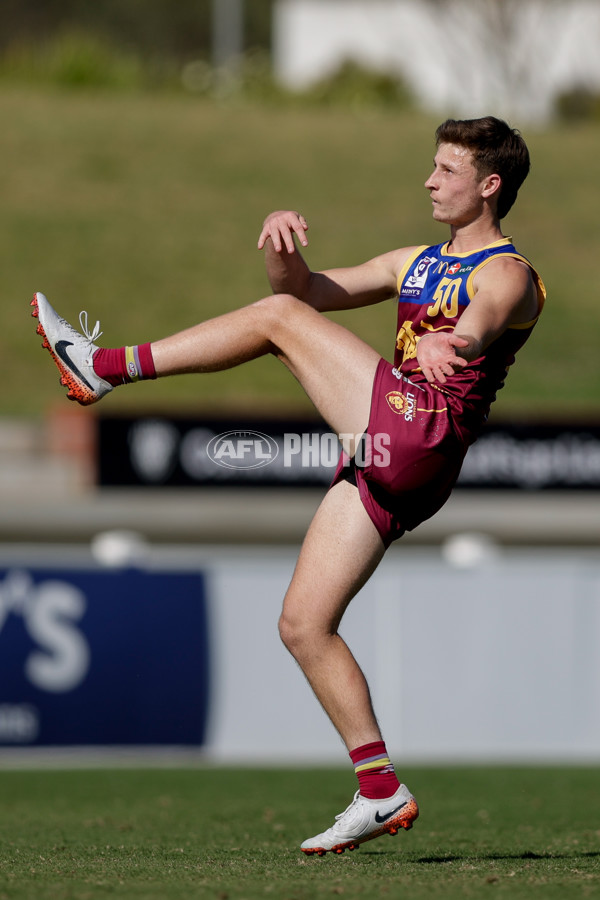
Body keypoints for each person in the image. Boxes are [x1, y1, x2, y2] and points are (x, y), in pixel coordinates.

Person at [31, 115, 545, 856]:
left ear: (489, 185)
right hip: (388, 449)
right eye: (432, 167)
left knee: (275, 324)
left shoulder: (507, 271)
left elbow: (483, 320)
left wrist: (455, 339)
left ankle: (104, 366)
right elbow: (302, 294)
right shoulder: (416, 260)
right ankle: (379, 790)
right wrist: (280, 249)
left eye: (447, 170)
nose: (431, 181)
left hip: (422, 428)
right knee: (303, 624)